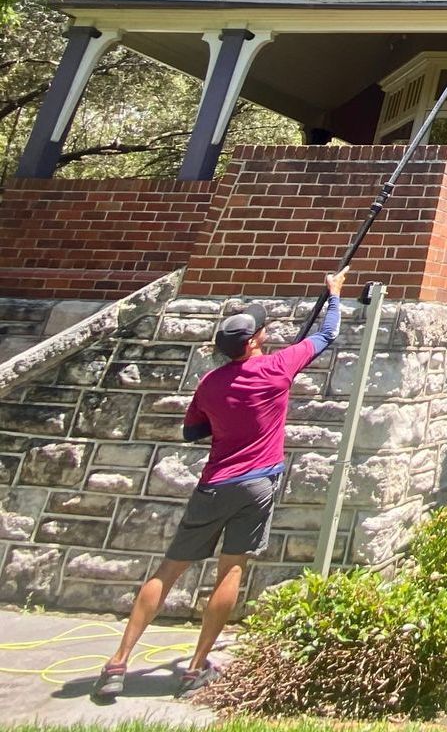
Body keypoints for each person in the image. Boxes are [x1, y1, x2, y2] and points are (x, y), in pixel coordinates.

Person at [93, 270, 347, 700]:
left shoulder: (210, 384)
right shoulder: (277, 367)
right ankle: (194, 669)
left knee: (169, 570)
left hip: (213, 484)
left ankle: (118, 663)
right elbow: (328, 333)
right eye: (260, 330)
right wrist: (335, 294)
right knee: (230, 569)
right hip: (257, 484)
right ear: (253, 342)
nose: (264, 331)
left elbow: (192, 432)